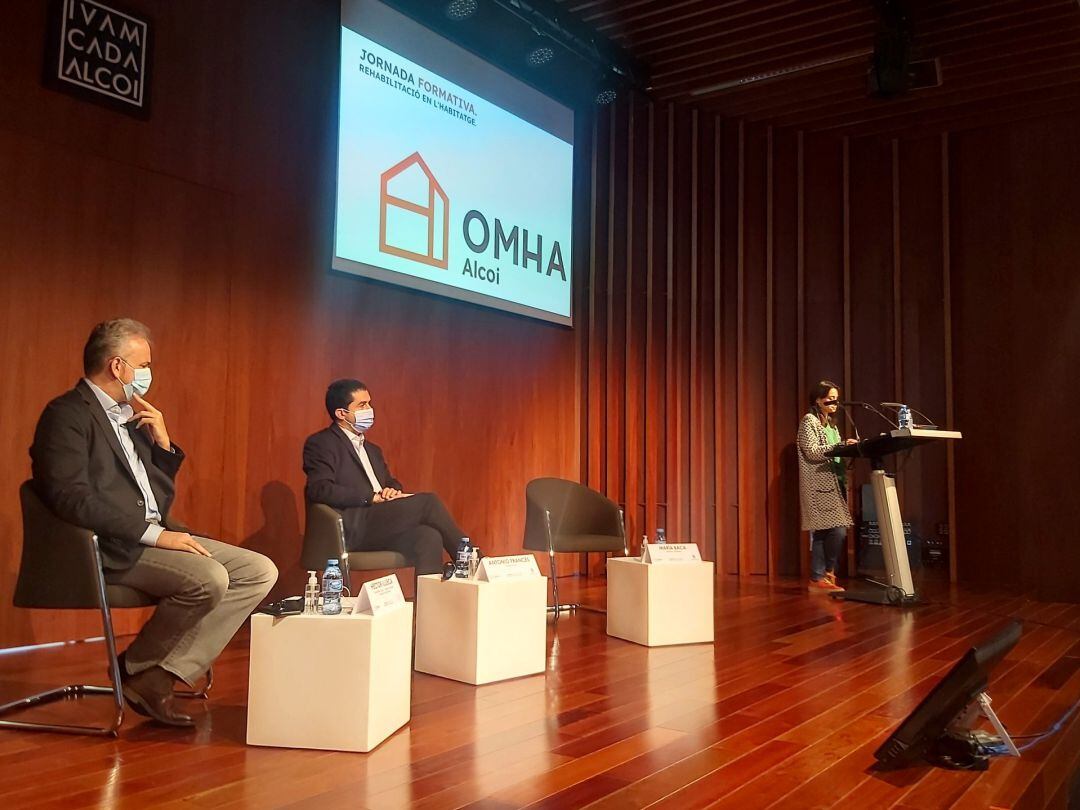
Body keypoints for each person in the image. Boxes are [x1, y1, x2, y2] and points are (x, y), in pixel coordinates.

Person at [30, 319, 277, 727]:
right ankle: (139, 670)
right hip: (109, 546)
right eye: (143, 364)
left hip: (148, 536)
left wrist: (163, 447)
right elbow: (72, 499)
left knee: (258, 570)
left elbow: (156, 502)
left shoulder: (131, 419)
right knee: (210, 578)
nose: (147, 373)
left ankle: (157, 675)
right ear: (117, 367)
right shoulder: (67, 415)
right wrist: (157, 536)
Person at [302, 379, 467, 576]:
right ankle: (471, 559)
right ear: (341, 414)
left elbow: (389, 482)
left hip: (379, 522)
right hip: (351, 527)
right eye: (362, 405)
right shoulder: (322, 444)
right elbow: (319, 489)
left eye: (369, 403)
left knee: (428, 536)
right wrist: (370, 497)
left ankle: (427, 605)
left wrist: (392, 490)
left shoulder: (372, 450)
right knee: (428, 502)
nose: (369, 409)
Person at [797, 380, 857, 593]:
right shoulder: (809, 421)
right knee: (835, 531)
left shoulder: (831, 424)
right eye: (829, 398)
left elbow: (836, 451)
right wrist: (841, 446)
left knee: (828, 532)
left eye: (836, 399)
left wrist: (851, 450)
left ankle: (820, 578)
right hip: (819, 484)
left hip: (836, 481)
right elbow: (812, 451)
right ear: (817, 400)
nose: (834, 402)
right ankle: (824, 574)